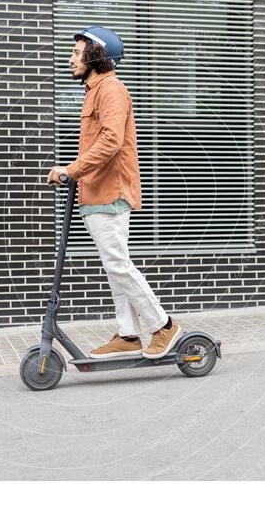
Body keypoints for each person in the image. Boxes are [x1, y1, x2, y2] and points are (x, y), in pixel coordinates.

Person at [46, 26, 180, 360]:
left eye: (77, 53)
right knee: (113, 265)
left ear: (95, 56)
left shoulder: (111, 89)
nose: (71, 58)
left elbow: (110, 141)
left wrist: (70, 169)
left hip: (110, 192)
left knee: (119, 265)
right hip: (95, 193)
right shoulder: (94, 90)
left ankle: (163, 326)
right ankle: (129, 333)